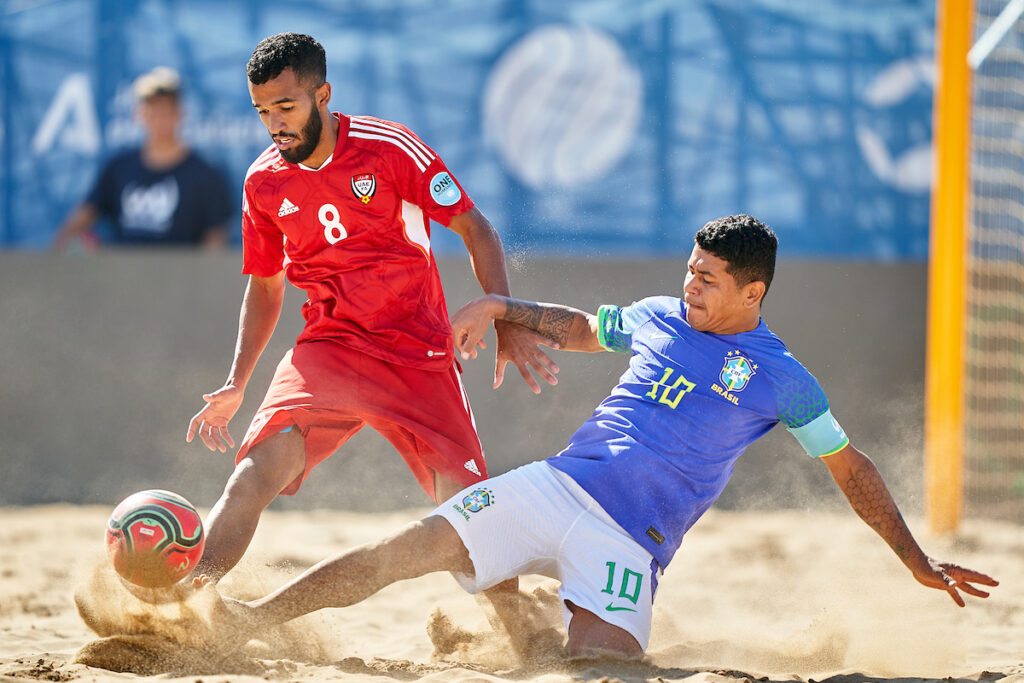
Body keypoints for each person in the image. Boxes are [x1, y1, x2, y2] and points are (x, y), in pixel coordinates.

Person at [208, 214, 997, 660]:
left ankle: (557, 620)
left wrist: (916, 559)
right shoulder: (660, 312)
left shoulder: (784, 376)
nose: (690, 285)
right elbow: (583, 328)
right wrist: (501, 309)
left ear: (752, 292)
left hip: (630, 542)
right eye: (690, 269)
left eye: (709, 279)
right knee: (400, 554)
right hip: (554, 488)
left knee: (596, 668)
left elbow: (849, 467)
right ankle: (252, 617)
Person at [184, 32, 554, 593]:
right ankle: (184, 609)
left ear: (323, 94)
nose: (274, 122)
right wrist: (238, 381)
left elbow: (477, 230)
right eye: (262, 110)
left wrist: (507, 318)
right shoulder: (262, 182)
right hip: (329, 349)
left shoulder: (388, 147)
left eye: (286, 106)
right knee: (252, 476)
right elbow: (265, 286)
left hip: (416, 352)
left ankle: (521, 636)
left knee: (475, 522)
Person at [52, 67, 232, 249]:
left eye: (166, 109)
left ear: (180, 113)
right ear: (139, 114)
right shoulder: (118, 168)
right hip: (122, 275)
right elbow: (77, 224)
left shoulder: (206, 175)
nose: (160, 117)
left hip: (182, 276)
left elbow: (215, 243)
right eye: (152, 109)